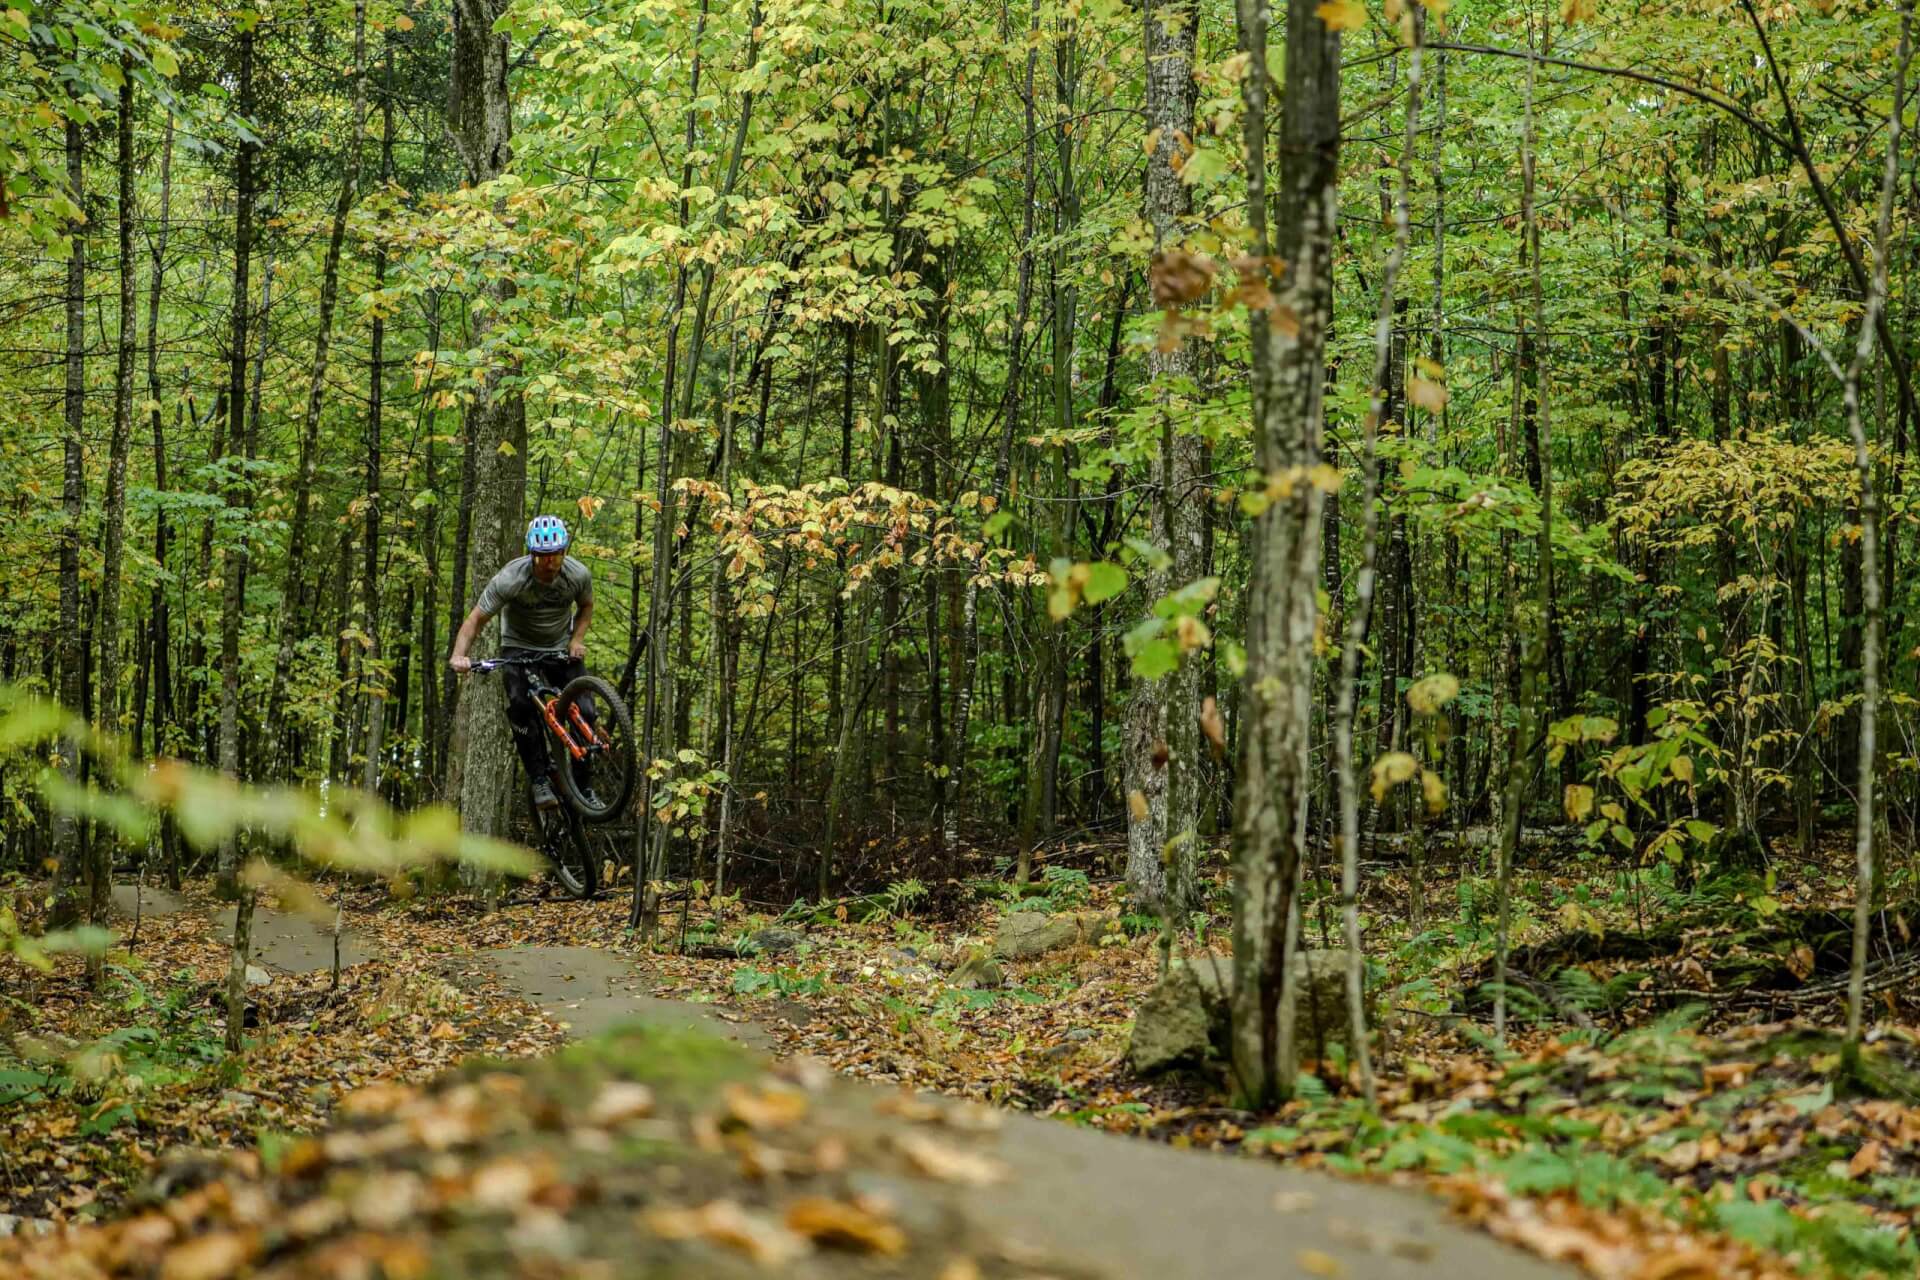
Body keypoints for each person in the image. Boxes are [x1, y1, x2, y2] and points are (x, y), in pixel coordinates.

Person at [449, 515, 593, 808]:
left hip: (560, 646)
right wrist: (459, 655)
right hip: (519, 647)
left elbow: (586, 606)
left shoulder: (577, 575)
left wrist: (576, 639)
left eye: (555, 555)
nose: (549, 563)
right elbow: (475, 620)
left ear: (564, 552)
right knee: (521, 706)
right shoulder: (510, 578)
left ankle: (584, 788)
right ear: (531, 554)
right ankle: (539, 779)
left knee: (587, 712)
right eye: (542, 557)